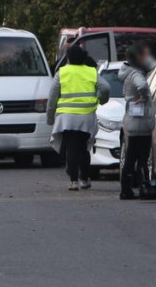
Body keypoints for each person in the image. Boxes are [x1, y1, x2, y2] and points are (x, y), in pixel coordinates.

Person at [47, 45, 110, 191]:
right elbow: (105, 87)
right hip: (86, 117)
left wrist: (50, 118)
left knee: (71, 148)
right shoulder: (91, 71)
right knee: (84, 148)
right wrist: (101, 100)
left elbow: (52, 97)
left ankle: (73, 181)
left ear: (68, 58)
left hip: (67, 118)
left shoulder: (62, 72)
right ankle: (85, 179)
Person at [118, 42, 156, 199]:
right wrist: (144, 97)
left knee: (130, 157)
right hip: (140, 123)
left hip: (132, 122)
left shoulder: (127, 72)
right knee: (141, 158)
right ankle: (143, 188)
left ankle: (127, 189)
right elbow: (141, 86)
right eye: (143, 56)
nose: (146, 58)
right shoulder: (135, 74)